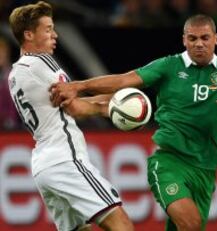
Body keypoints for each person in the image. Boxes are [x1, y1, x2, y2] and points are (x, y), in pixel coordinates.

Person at [50, 14, 217, 231]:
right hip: (169, 162)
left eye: (204, 38)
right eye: (192, 38)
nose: (199, 44)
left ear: (216, 38)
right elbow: (123, 81)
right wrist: (79, 86)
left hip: (205, 171)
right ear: (184, 40)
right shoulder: (167, 67)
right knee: (189, 223)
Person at [8, 2, 134, 231]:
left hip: (43, 164)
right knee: (121, 224)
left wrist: (108, 104)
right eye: (47, 29)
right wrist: (112, 105)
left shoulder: (15, 73)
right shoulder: (42, 61)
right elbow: (74, 107)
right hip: (64, 157)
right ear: (28, 34)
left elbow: (61, 107)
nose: (55, 35)